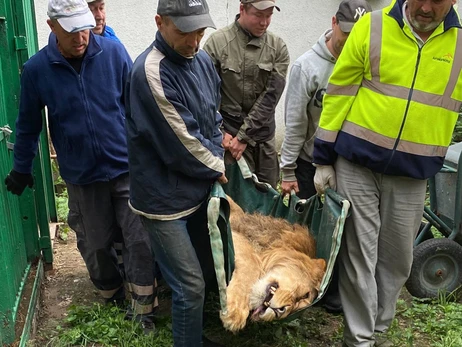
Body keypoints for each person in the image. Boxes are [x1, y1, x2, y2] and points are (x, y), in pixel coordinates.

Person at [312, 0, 462, 346]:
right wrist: (323, 156)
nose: (425, 8)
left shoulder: (458, 42)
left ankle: (378, 330)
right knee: (359, 256)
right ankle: (360, 339)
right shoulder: (373, 26)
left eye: (437, 1)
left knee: (397, 261)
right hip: (356, 164)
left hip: (412, 173)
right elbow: (339, 91)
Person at [4, 0, 157, 332]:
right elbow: (28, 125)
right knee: (96, 242)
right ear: (51, 26)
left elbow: (137, 108)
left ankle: (143, 309)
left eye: (85, 27)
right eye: (72, 31)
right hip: (82, 175)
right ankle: (110, 295)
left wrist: (151, 155)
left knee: (139, 239)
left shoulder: (114, 53)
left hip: (126, 168)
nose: (81, 37)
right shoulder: (37, 70)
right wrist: (21, 166)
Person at [124, 0, 226, 345]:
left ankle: (193, 336)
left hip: (197, 189)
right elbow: (181, 142)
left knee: (207, 273)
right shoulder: (149, 72)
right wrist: (218, 166)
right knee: (189, 285)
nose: (194, 41)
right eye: (184, 31)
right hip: (163, 201)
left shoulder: (203, 60)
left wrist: (217, 155)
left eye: (199, 31)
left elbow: (212, 117)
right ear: (159, 22)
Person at [279, 0, 372, 314]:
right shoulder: (307, 67)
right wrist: (288, 170)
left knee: (344, 229)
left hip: (350, 161)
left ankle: (335, 291)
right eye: (346, 32)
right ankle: (305, 289)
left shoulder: (368, 62)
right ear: (334, 22)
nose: (350, 40)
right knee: (309, 230)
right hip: (309, 162)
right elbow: (294, 123)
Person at [203, 0, 289, 189]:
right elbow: (206, 96)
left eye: (269, 16)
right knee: (235, 203)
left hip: (263, 141)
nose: (264, 22)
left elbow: (270, 98)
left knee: (268, 202)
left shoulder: (278, 48)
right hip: (228, 141)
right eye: (258, 15)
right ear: (242, 9)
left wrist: (244, 138)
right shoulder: (216, 45)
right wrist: (221, 133)